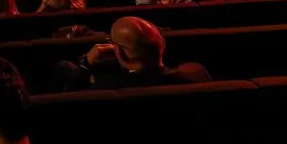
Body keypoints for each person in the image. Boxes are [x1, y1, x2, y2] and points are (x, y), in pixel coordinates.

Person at [55, 17, 211, 91]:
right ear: (162, 44)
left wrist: (85, 63)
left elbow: (69, 95)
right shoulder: (197, 75)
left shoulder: (104, 86)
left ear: (119, 53)